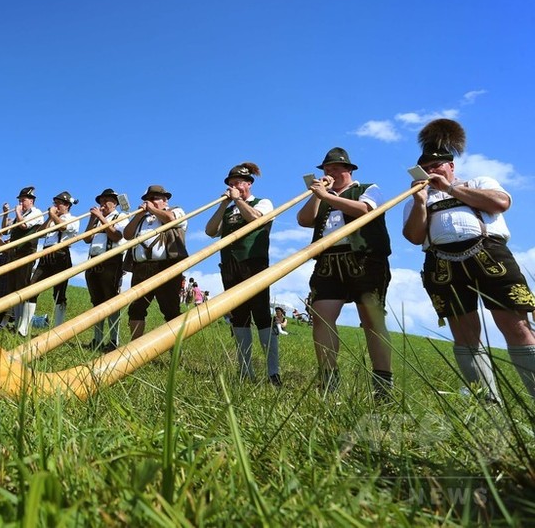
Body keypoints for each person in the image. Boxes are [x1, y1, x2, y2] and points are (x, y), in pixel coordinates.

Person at [403, 119, 535, 402]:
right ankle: (488, 405)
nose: (432, 171)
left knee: (516, 326)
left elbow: (500, 203)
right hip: (441, 264)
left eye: (437, 166)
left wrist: (449, 189)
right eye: (426, 168)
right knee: (463, 333)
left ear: (451, 166)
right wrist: (418, 201)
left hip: (489, 254)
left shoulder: (477, 182)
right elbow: (414, 237)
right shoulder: (417, 198)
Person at [297, 147, 393, 397]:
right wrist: (318, 195)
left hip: (364, 259)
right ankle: (329, 381)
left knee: (371, 319)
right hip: (328, 260)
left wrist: (327, 196)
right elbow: (304, 220)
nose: (330, 172)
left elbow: (364, 210)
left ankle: (383, 383)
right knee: (321, 315)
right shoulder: (323, 195)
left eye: (336, 168)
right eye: (327, 169)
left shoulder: (369, 189)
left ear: (349, 170)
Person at [205, 162, 280, 385]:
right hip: (229, 266)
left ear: (248, 184)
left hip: (253, 263)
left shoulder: (262, 202)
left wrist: (238, 200)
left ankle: (272, 372)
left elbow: (257, 218)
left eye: (238, 182)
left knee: (262, 316)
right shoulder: (227, 210)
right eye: (231, 183)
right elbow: (210, 231)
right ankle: (245, 370)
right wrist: (223, 205)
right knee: (239, 317)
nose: (234, 186)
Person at [122, 184, 187, 341]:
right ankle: (134, 348)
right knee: (136, 307)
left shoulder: (176, 210)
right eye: (148, 199)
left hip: (166, 266)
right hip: (141, 268)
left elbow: (171, 219)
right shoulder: (141, 218)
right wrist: (138, 216)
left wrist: (152, 209)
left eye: (154, 198)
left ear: (165, 200)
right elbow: (127, 234)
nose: (150, 201)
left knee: (170, 309)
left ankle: (175, 352)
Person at [0, 187, 45, 335]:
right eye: (20, 200)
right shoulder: (20, 214)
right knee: (13, 287)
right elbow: (5, 230)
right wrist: (5, 214)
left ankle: (22, 324)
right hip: (14, 254)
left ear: (31, 200)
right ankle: (16, 322)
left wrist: (17, 212)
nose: (21, 202)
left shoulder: (36, 213)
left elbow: (23, 225)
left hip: (26, 253)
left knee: (22, 287)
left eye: (23, 200)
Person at [83, 188, 128, 351]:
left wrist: (101, 218)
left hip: (111, 261)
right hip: (93, 261)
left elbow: (117, 236)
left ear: (114, 203)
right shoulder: (96, 220)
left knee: (111, 301)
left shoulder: (120, 216)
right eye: (101, 201)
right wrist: (91, 220)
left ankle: (114, 341)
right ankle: (97, 339)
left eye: (106, 201)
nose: (102, 204)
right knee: (96, 301)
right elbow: (86, 239)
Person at [27, 192, 81, 328]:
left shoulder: (73, 219)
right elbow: (40, 233)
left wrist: (53, 215)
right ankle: (24, 327)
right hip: (46, 255)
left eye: (58, 203)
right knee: (32, 288)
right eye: (54, 203)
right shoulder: (52, 219)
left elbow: (63, 227)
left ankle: (58, 327)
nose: (55, 205)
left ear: (67, 205)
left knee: (59, 293)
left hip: (61, 255)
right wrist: (50, 218)